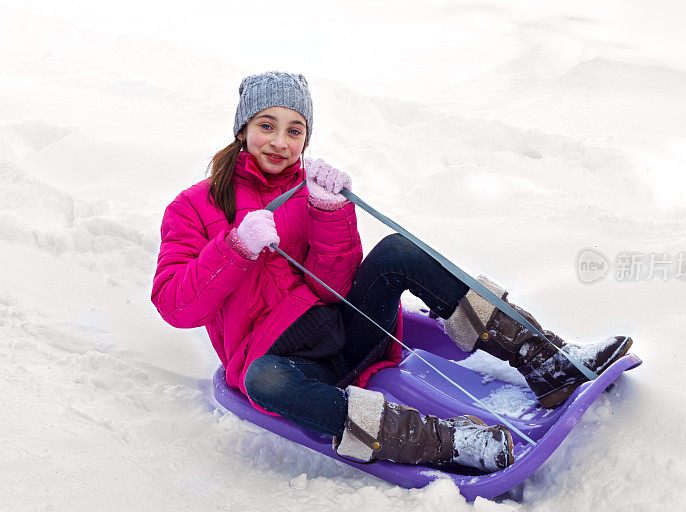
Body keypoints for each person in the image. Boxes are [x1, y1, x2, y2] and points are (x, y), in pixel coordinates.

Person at [151, 71, 632, 474]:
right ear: (242, 129)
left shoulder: (308, 187)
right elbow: (175, 305)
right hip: (287, 362)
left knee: (397, 252)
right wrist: (235, 247)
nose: (280, 142)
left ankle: (547, 360)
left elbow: (332, 287)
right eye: (267, 125)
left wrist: (329, 212)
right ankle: (447, 442)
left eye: (295, 130)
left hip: (344, 333)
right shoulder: (194, 207)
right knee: (264, 382)